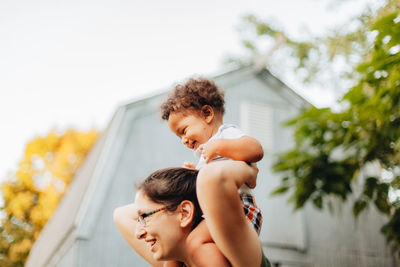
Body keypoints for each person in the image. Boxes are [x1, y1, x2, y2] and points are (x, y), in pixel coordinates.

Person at [159, 77, 264, 267]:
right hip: (212, 211)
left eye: (184, 130)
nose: (183, 140)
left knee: (195, 242)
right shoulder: (205, 153)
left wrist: (220, 146)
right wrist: (195, 174)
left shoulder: (226, 134)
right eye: (178, 137)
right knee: (179, 246)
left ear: (207, 114)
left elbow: (256, 150)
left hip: (238, 207)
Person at [113, 161, 271, 267]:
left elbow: (212, 176)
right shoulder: (176, 260)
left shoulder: (235, 252)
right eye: (139, 219)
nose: (138, 233)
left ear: (185, 213)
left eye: (144, 217)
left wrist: (250, 171)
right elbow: (120, 214)